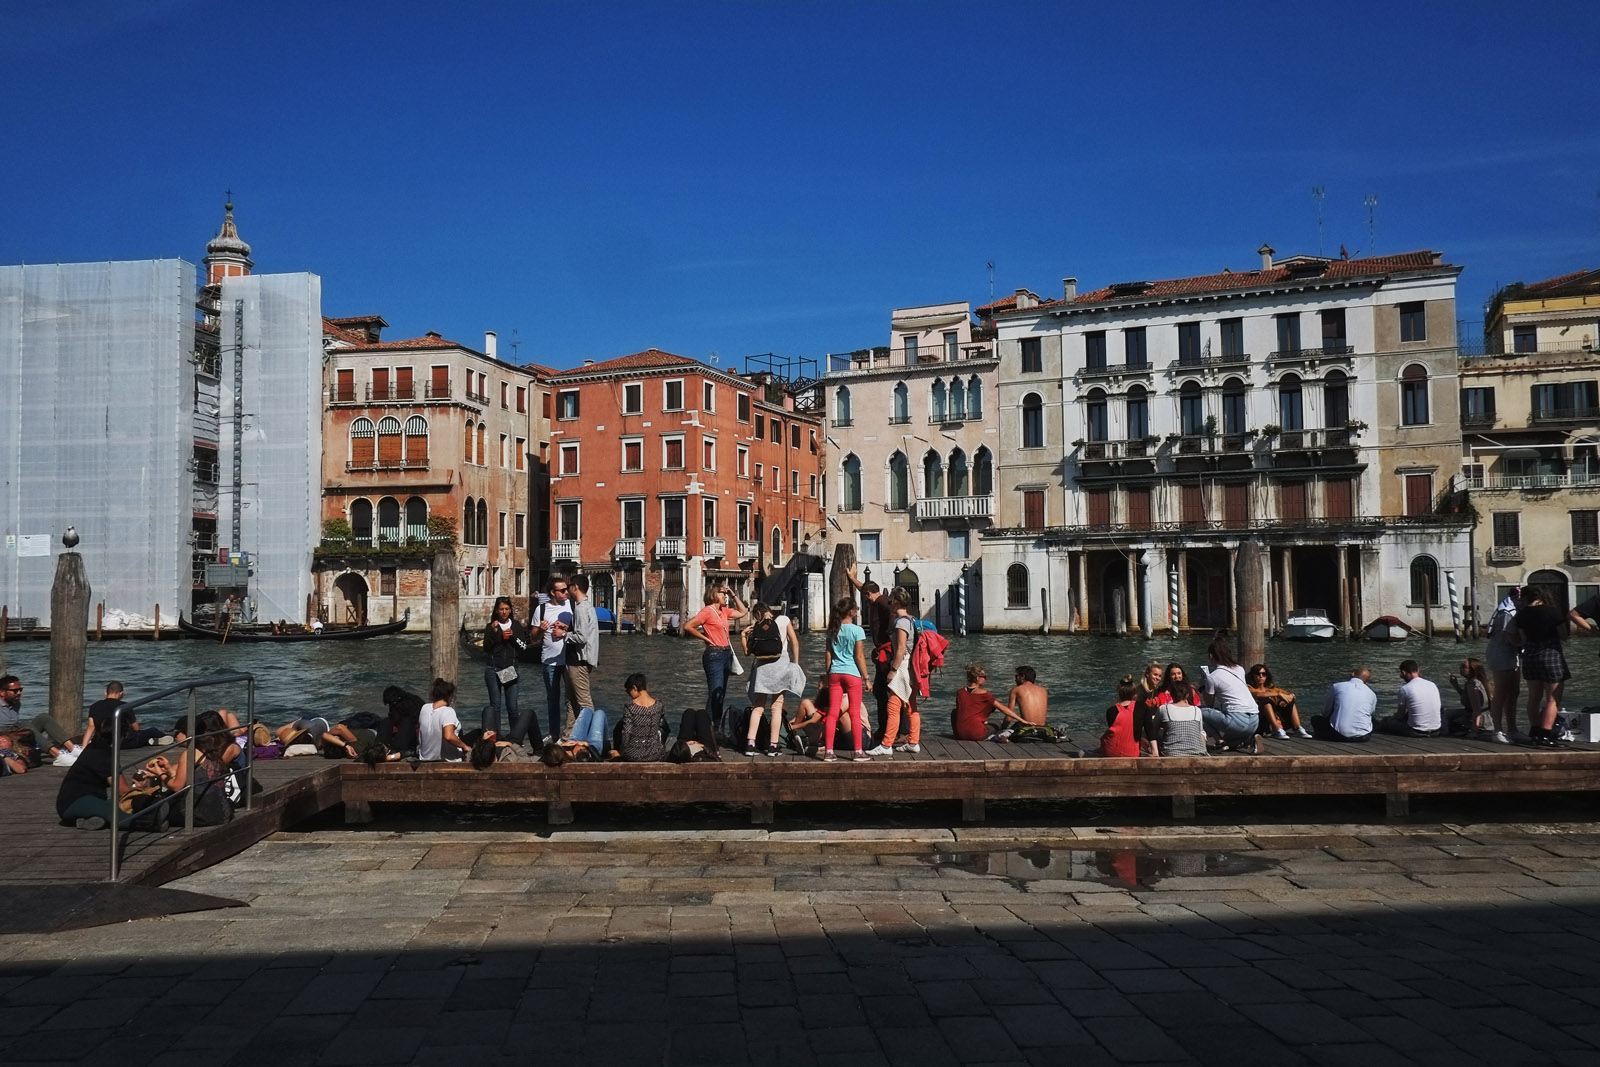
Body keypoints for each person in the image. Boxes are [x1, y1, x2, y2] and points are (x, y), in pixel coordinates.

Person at [683, 583, 748, 734]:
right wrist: (706, 638)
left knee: (721, 694)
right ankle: (706, 730)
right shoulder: (707, 611)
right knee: (715, 694)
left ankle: (715, 729)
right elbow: (688, 626)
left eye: (725, 594)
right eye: (722, 593)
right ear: (714, 595)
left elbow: (743, 611)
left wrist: (733, 594)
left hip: (726, 654)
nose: (725, 596)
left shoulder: (724, 611)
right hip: (714, 655)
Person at [742, 600, 804, 756]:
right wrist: (795, 664)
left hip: (762, 667)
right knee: (776, 707)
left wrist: (744, 635)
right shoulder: (783, 620)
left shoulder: (757, 626)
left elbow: (748, 652)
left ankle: (750, 744)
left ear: (757, 614)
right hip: (780, 665)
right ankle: (773, 746)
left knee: (758, 707)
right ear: (769, 610)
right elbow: (794, 643)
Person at [869, 587, 922, 757]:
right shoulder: (913, 620)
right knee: (911, 706)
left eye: (891, 601)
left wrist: (892, 670)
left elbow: (900, 650)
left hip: (902, 667)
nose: (889, 604)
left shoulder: (901, 622)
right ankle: (913, 741)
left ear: (897, 602)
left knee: (893, 706)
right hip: (912, 668)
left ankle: (886, 744)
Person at [1516, 585, 1570, 746]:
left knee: (1534, 697)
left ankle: (1534, 730)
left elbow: (1523, 638)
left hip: (1530, 655)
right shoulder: (1553, 612)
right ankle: (1546, 734)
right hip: (1551, 654)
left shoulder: (1521, 615)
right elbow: (1563, 635)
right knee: (1553, 699)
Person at [822, 596, 871, 762]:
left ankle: (829, 751)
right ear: (851, 612)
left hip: (835, 672)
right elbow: (859, 656)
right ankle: (858, 752)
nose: (857, 611)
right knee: (855, 714)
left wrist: (828, 675)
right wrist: (867, 678)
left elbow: (828, 655)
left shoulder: (832, 630)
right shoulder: (857, 631)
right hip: (852, 674)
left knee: (833, 712)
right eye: (856, 609)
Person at [846, 564, 896, 728]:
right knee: (884, 691)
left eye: (866, 597)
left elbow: (892, 613)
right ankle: (889, 728)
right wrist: (853, 579)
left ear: (869, 595)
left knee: (881, 691)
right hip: (885, 652)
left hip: (886, 653)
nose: (866, 600)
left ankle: (885, 729)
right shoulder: (877, 599)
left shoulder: (882, 603)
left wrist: (889, 631)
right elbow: (864, 588)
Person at [1198, 634, 1262, 753]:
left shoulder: (1213, 677)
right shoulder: (1239, 669)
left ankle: (1219, 740)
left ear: (1211, 656)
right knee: (1231, 744)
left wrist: (1203, 685)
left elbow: (1209, 703)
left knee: (1197, 711)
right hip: (1254, 719)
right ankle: (1248, 740)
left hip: (1237, 720)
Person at [530, 577, 574, 744]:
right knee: (552, 699)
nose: (566, 592)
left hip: (570, 660)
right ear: (552, 593)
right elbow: (533, 638)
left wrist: (564, 629)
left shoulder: (572, 606)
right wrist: (541, 631)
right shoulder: (541, 610)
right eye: (562, 590)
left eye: (566, 589)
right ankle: (554, 734)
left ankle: (570, 734)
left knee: (572, 700)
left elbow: (578, 629)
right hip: (550, 661)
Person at [562, 574, 601, 741]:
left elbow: (582, 637)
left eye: (569, 586)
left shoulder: (580, 608)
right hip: (576, 660)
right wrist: (567, 628)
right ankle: (569, 736)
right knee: (571, 701)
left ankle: (592, 739)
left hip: (579, 661)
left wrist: (563, 634)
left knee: (584, 703)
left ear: (575, 587)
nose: (568, 590)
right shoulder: (586, 606)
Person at [0, 675, 76, 760]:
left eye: (20, 690)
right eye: (15, 691)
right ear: (2, 692)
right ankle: (59, 755)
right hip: (4, 738)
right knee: (25, 725)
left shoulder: (16, 703)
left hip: (16, 734)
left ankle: (73, 749)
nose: (19, 693)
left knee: (43, 718)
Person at [482, 596, 527, 737]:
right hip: (493, 668)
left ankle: (515, 736)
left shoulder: (516, 626)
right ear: (496, 610)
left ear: (510, 610)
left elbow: (524, 647)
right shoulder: (491, 627)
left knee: (512, 707)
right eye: (501, 609)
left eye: (507, 609)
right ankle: (497, 735)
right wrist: (496, 635)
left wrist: (512, 637)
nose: (504, 612)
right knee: (495, 706)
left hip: (509, 669)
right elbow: (486, 648)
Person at [1484, 589, 1523, 742]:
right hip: (1500, 652)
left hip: (1512, 653)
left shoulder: (1514, 610)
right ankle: (1497, 730)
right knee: (1501, 692)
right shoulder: (1507, 612)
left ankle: (1512, 729)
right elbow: (1511, 636)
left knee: (1514, 692)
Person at [81, 681, 161, 750]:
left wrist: (84, 746)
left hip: (104, 742)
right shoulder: (124, 706)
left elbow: (91, 727)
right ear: (120, 693)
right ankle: (167, 739)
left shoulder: (94, 706)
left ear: (105, 692)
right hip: (124, 742)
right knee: (152, 730)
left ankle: (149, 741)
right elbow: (135, 727)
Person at [1377, 659, 1443, 737]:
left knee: (1386, 721)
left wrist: (1392, 717)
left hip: (1416, 731)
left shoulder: (1405, 689)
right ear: (1418, 670)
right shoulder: (1432, 685)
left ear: (1403, 673)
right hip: (1436, 730)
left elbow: (1400, 715)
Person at [1312, 668, 1377, 741]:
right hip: (1363, 737)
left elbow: (1326, 711)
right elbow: (1371, 714)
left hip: (1339, 735)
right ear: (1366, 682)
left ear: (1352, 674)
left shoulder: (1337, 686)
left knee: (1315, 719)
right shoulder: (1372, 694)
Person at [1247, 664, 1310, 739]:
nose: (1261, 676)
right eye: (1258, 674)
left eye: (1263, 674)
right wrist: (1278, 694)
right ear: (1253, 676)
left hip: (1276, 717)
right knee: (1266, 702)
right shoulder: (1249, 687)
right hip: (1260, 720)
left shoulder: (1271, 688)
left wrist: (1289, 697)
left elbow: (1289, 695)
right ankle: (1276, 729)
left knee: (1289, 702)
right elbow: (1258, 694)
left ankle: (1297, 728)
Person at [617, 673, 670, 762]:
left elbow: (626, 733)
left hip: (633, 755)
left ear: (634, 688)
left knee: (620, 724)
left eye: (628, 691)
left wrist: (622, 751)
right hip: (655, 753)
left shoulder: (630, 707)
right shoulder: (659, 705)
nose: (629, 695)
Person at [419, 678, 470, 762]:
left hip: (425, 758)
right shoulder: (448, 711)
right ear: (450, 697)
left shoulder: (424, 708)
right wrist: (465, 746)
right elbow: (449, 736)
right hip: (446, 760)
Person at [1153, 680, 1208, 757]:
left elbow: (1153, 730)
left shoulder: (1164, 709)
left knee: (1159, 732)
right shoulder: (1196, 710)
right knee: (1201, 734)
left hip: (1171, 753)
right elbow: (1200, 732)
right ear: (1187, 695)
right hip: (1197, 753)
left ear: (1171, 694)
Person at [1448, 658, 1494, 739]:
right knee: (1449, 713)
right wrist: (1456, 685)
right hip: (1487, 720)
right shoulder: (1480, 682)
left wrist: (1474, 731)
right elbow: (1469, 699)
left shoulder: (1472, 685)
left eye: (1464, 666)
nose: (1460, 668)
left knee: (1447, 719)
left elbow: (1477, 710)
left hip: (1479, 723)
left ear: (1472, 670)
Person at [1100, 674, 1142, 757]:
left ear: (1119, 693)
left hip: (1110, 751)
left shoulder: (1110, 711)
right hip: (1132, 753)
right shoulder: (1141, 707)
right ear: (1134, 694)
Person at [1004, 666, 1049, 731]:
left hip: (1027, 729)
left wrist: (1002, 729)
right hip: (1043, 729)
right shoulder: (1043, 690)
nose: (1015, 679)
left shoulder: (1016, 689)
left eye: (1016, 676)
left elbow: (1008, 717)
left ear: (1023, 677)